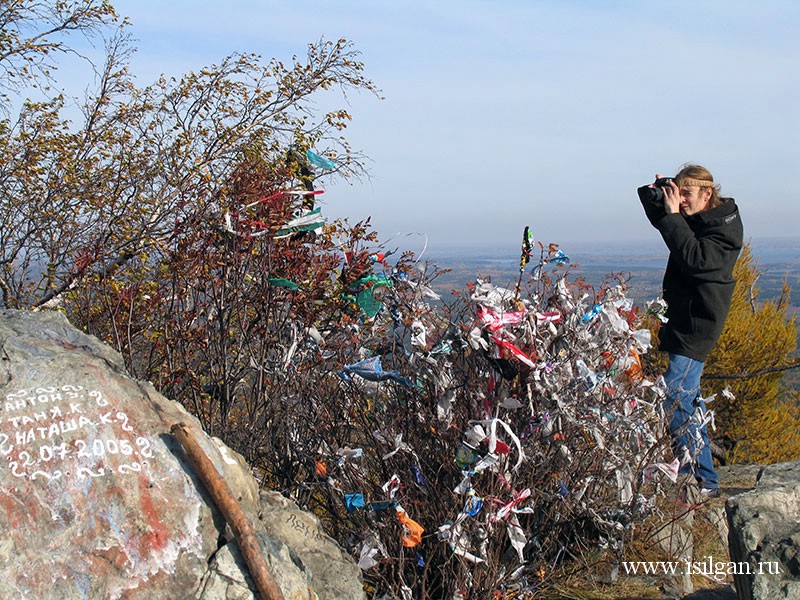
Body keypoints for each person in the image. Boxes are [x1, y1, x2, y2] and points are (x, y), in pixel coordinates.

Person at [638, 164, 743, 497]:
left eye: (686, 194)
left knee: (674, 394)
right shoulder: (697, 217)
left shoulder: (724, 230)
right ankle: (700, 475)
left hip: (699, 323)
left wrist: (672, 216)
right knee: (687, 398)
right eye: (678, 193)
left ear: (707, 193)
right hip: (684, 318)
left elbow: (696, 259)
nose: (680, 201)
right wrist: (660, 191)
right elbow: (655, 211)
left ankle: (700, 478)